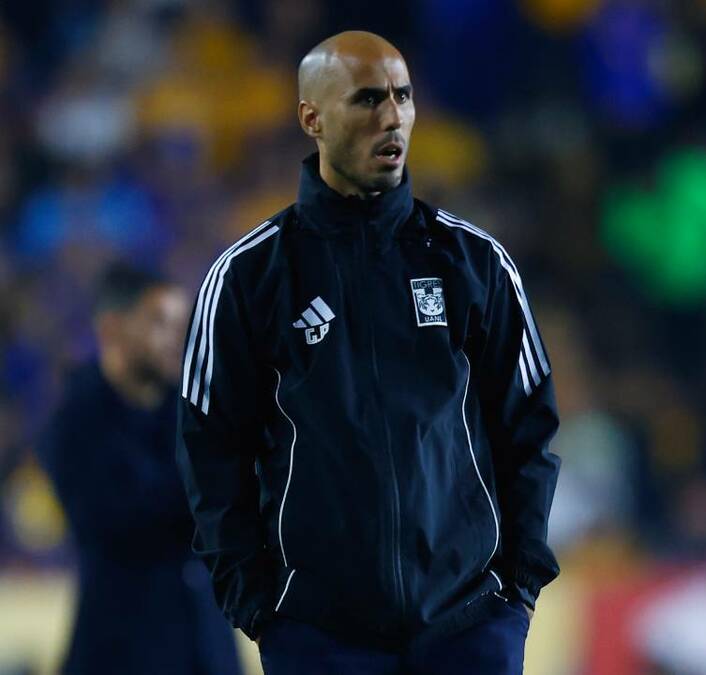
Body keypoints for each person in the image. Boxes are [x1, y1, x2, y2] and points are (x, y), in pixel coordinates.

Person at [175, 30, 561, 675]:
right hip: (320, 638)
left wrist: (516, 589)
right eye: (366, 99)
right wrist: (261, 607)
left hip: (469, 626)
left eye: (402, 96)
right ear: (312, 119)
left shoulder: (473, 262)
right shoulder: (248, 276)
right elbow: (210, 451)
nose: (392, 117)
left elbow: (530, 427)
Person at [35, 262, 243, 675]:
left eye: (181, 325)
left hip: (206, 646)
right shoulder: (74, 421)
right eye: (160, 323)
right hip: (120, 646)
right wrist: (212, 491)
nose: (177, 339)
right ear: (112, 328)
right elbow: (114, 522)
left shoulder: (193, 411)